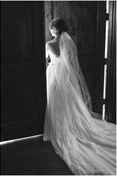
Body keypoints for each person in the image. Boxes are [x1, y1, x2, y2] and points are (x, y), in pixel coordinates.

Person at [43, 18, 116, 175]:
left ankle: (60, 131)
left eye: (51, 28)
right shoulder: (68, 43)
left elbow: (45, 61)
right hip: (66, 78)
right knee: (69, 104)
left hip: (53, 76)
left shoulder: (49, 44)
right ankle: (70, 127)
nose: (50, 31)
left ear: (54, 29)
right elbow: (70, 63)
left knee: (56, 104)